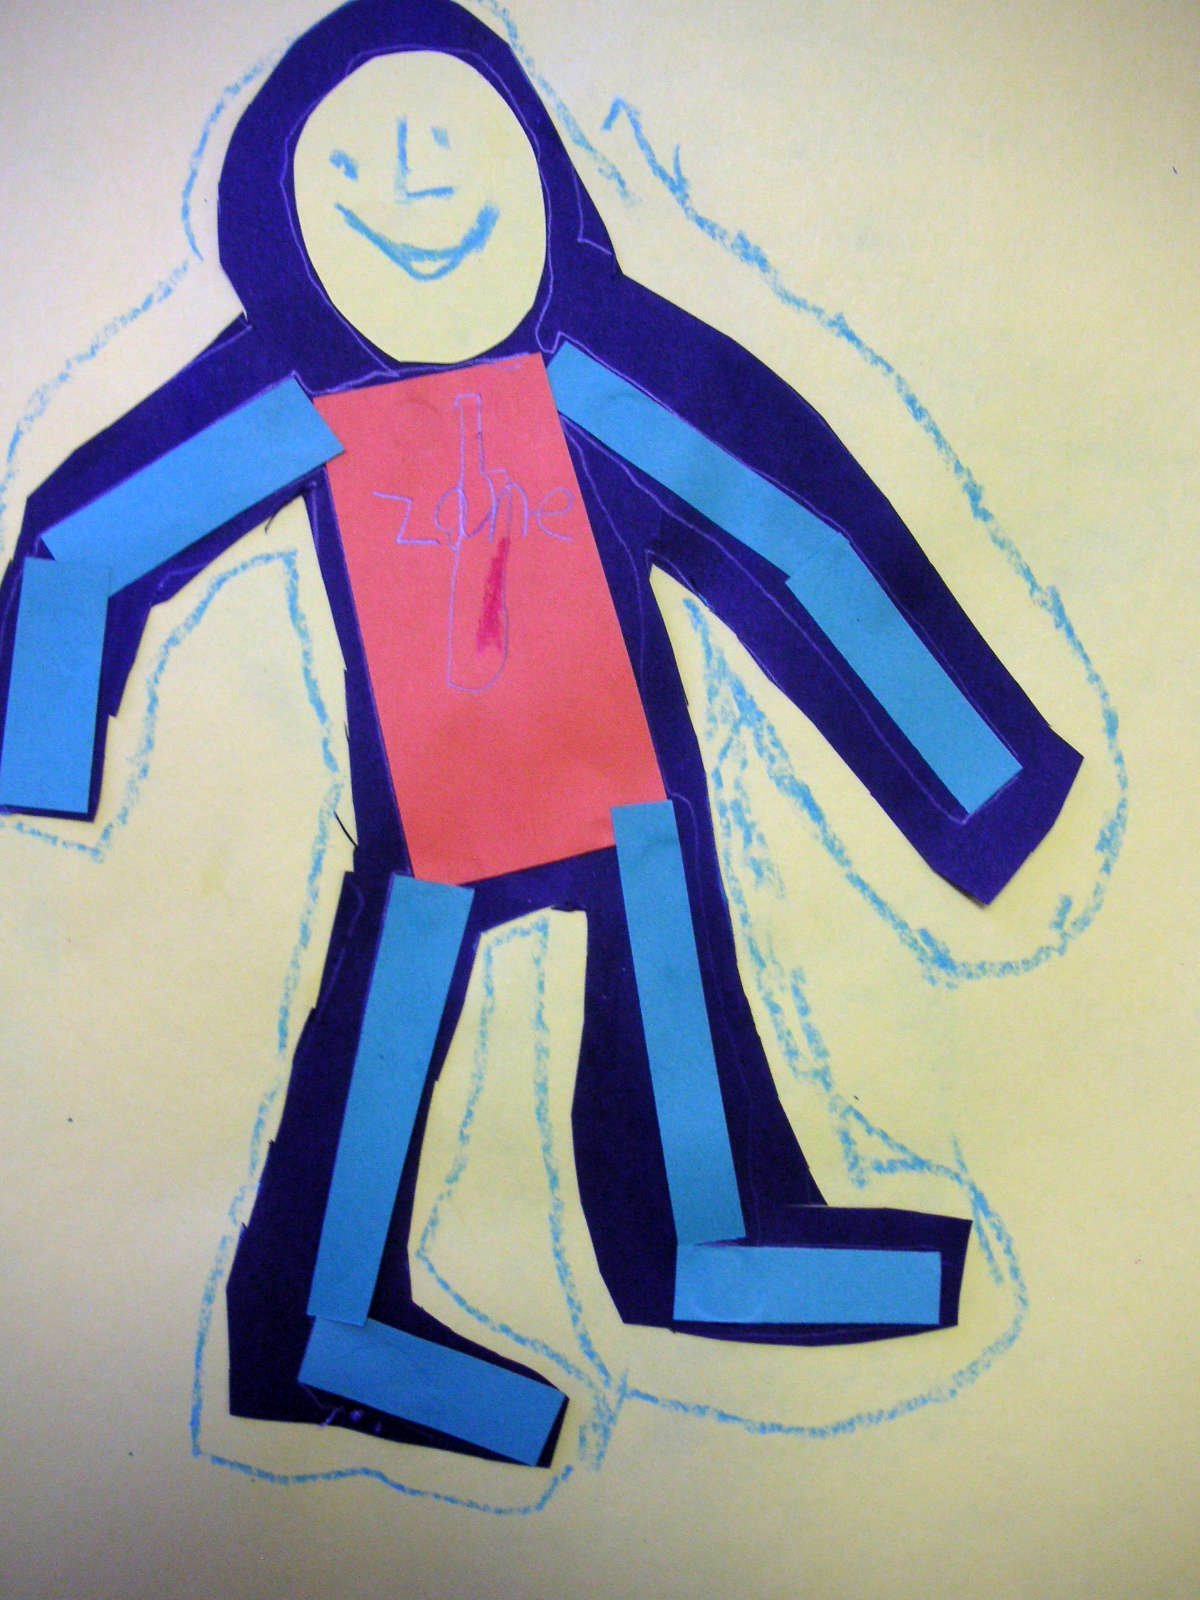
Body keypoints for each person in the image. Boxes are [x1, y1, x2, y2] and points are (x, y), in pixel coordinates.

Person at [0, 0, 1080, 1467]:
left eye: (455, 148)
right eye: (356, 170)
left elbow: (802, 530)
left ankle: (707, 1248)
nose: (417, 193)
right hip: (431, 815)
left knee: (671, 999)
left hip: (629, 794)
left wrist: (980, 785)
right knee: (383, 1036)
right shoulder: (296, 393)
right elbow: (85, 543)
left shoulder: (598, 358)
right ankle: (316, 1328)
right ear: (280, 220)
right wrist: (34, 754)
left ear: (539, 168)